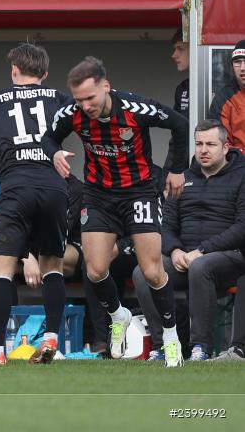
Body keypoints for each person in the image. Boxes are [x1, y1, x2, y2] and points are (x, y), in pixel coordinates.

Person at [41, 56, 189, 367]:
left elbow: (179, 123)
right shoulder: (72, 112)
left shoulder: (136, 108)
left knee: (151, 271)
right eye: (79, 100)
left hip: (139, 192)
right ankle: (118, 315)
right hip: (98, 195)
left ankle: (172, 337)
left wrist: (176, 169)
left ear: (106, 87)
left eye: (90, 98)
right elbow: (48, 137)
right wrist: (54, 154)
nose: (85, 106)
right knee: (95, 269)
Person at [0, 43, 72, 365]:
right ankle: (52, 338)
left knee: (1, 268)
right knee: (53, 265)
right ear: (46, 74)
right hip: (54, 187)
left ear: (14, 71)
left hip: (15, 187)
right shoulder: (59, 99)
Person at [135, 120, 245, 361]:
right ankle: (163, 345)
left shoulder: (241, 176)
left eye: (210, 144)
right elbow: (166, 225)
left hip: (230, 258)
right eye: (199, 144)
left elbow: (242, 227)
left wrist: (202, 250)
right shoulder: (181, 178)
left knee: (201, 266)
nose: (203, 150)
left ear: (226, 147)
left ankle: (200, 347)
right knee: (144, 271)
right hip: (184, 259)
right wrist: (174, 251)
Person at [208, 39, 245, 149]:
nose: (242, 68)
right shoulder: (224, 98)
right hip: (239, 164)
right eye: (237, 62)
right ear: (232, 66)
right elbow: (220, 145)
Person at [170, 29, 189, 118]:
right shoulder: (182, 88)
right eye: (175, 49)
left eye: (180, 48)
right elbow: (177, 127)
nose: (174, 55)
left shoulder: (220, 82)